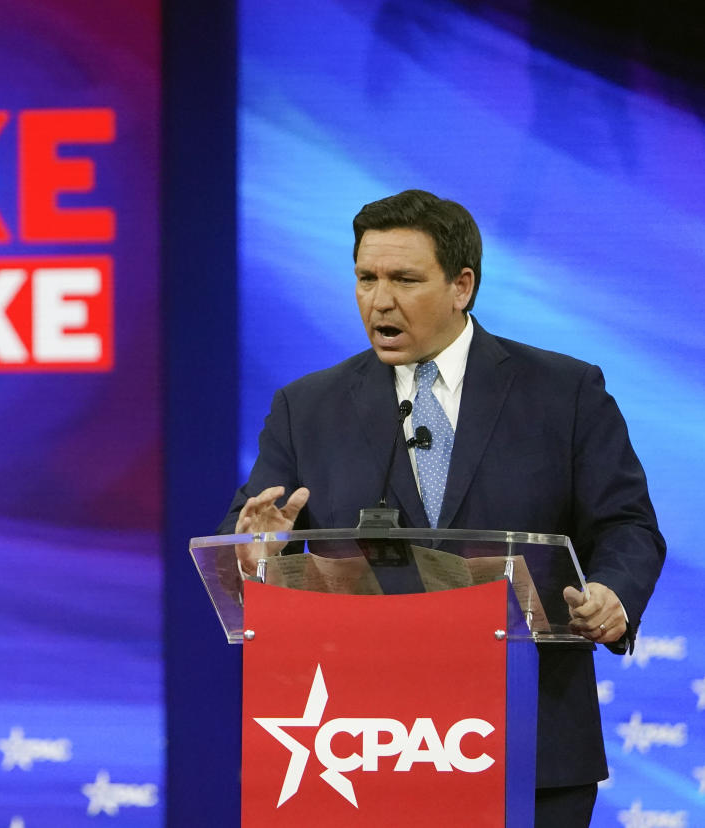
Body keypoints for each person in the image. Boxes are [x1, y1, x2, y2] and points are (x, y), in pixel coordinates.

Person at [219, 189, 664, 827]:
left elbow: (626, 524)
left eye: (404, 279)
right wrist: (257, 553)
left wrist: (611, 596)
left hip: (528, 742)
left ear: (461, 286)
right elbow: (248, 546)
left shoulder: (563, 392)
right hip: (358, 746)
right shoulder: (306, 408)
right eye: (365, 279)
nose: (379, 300)